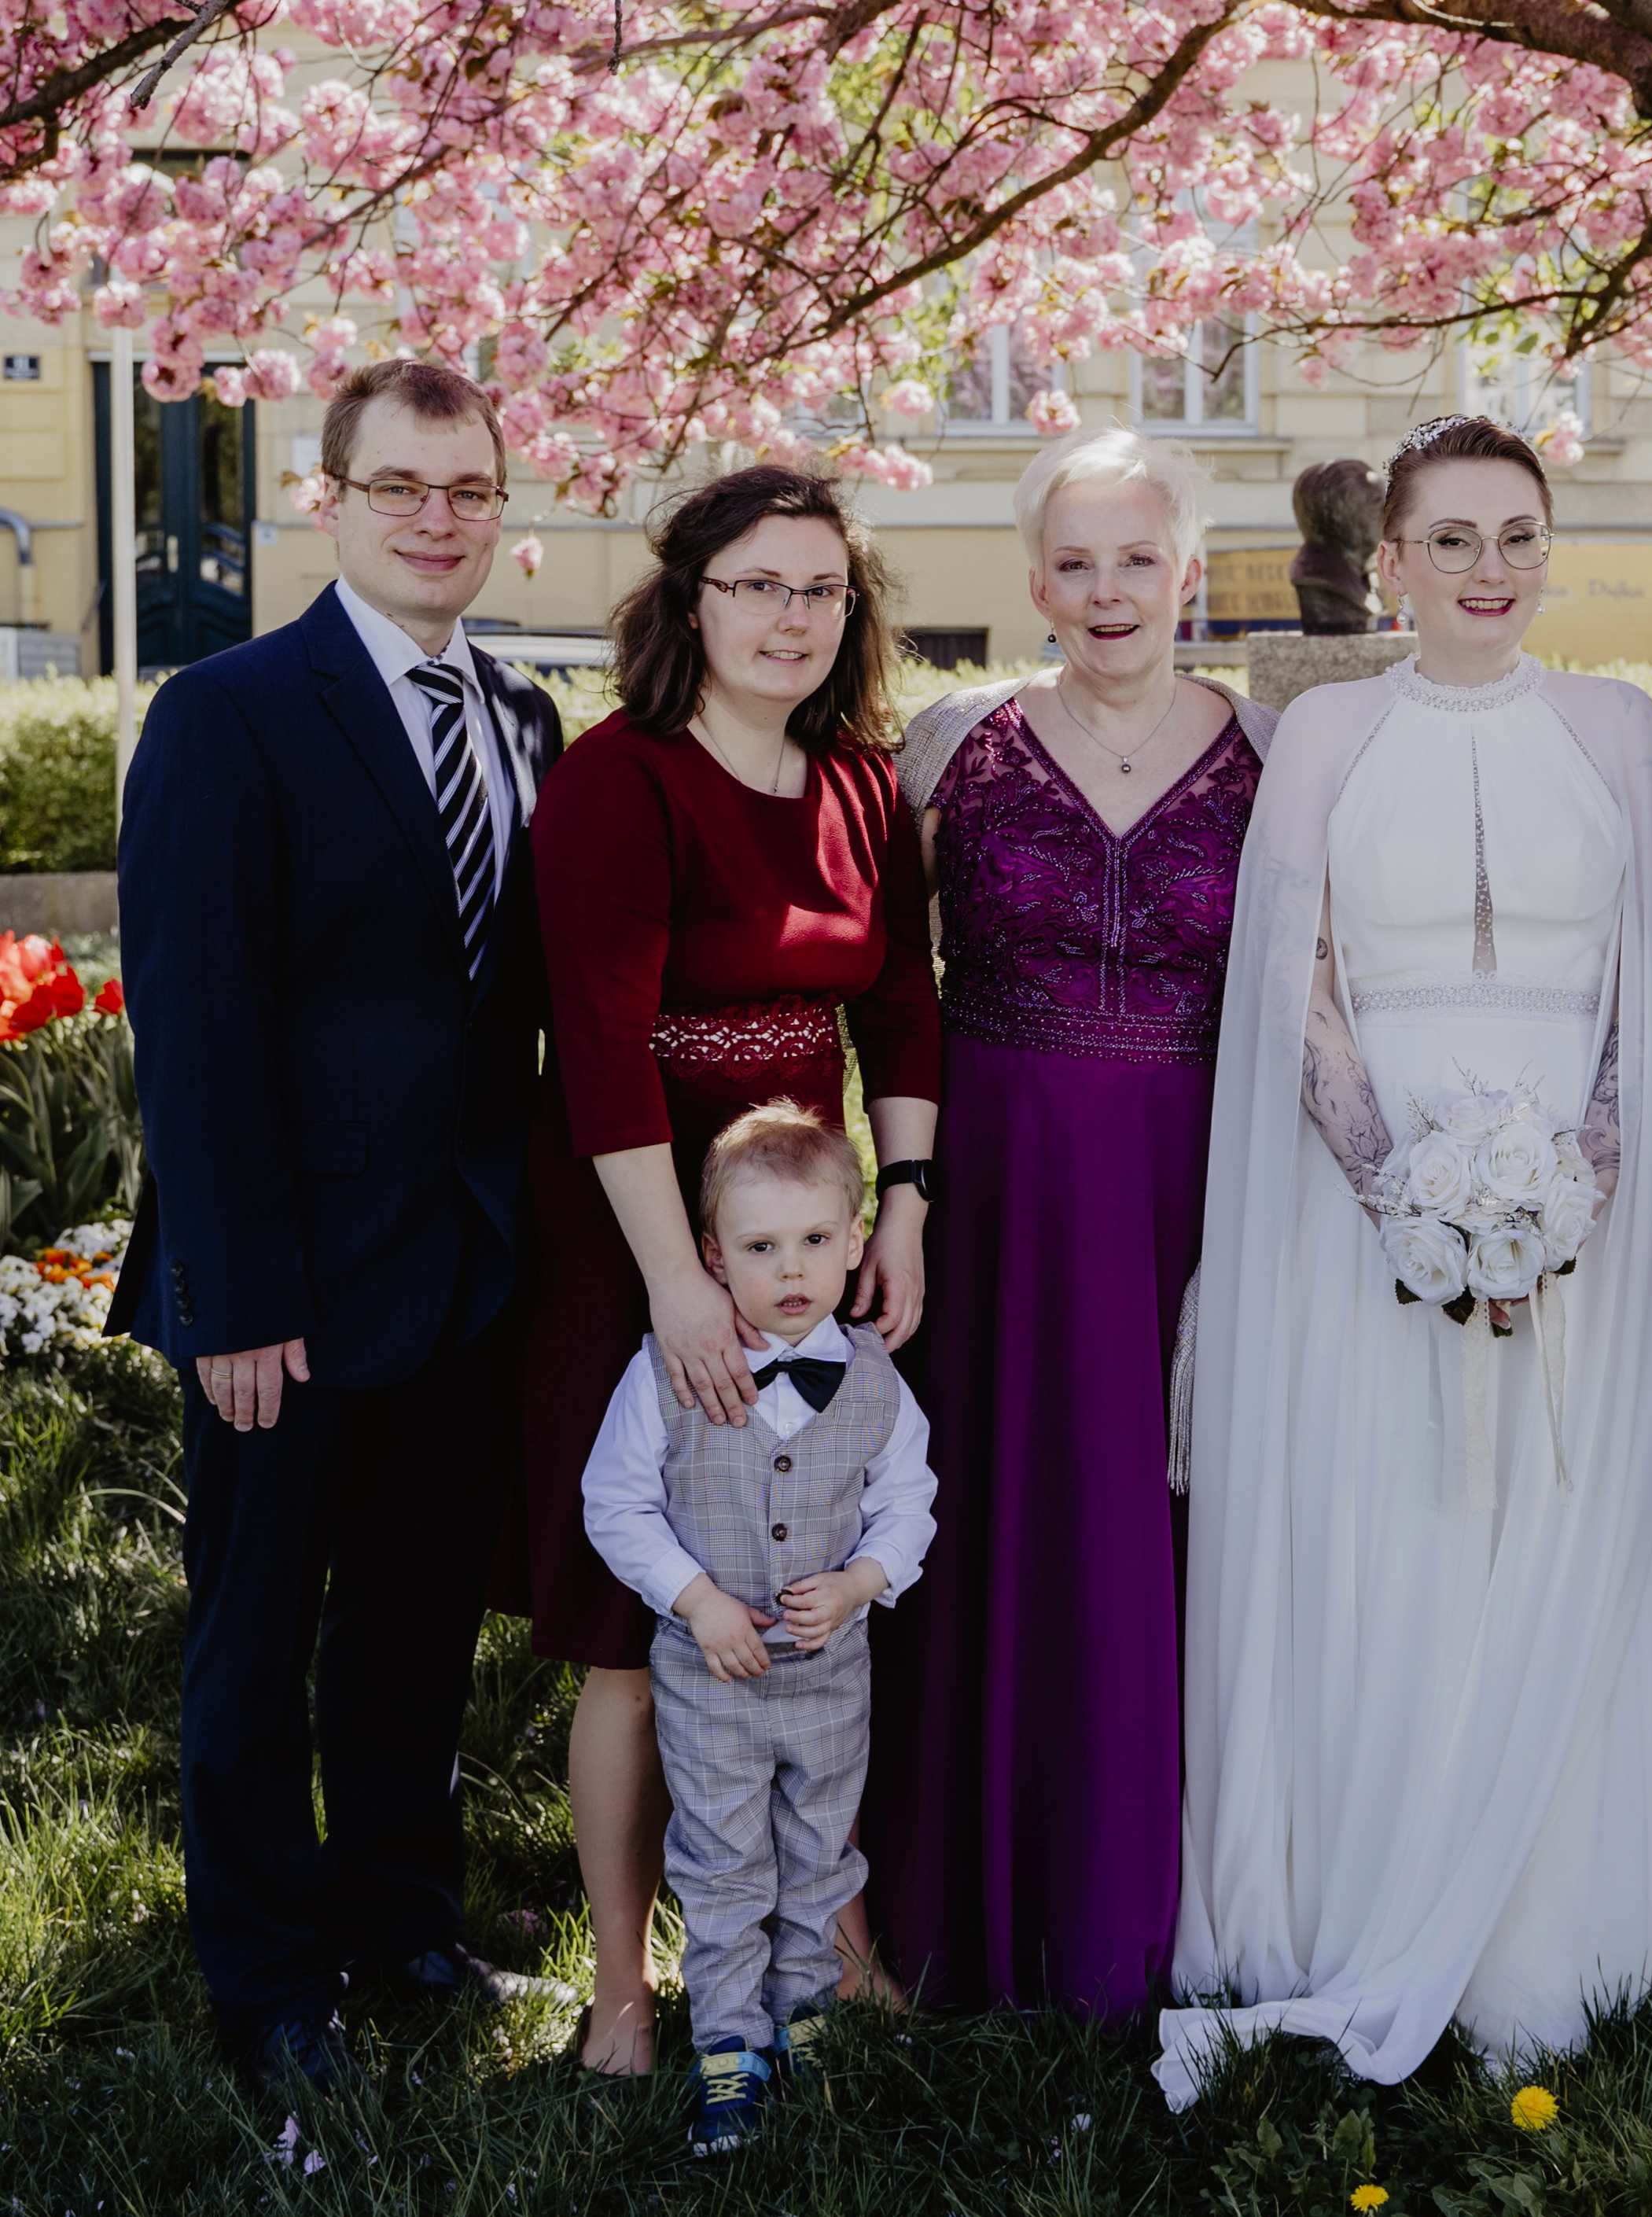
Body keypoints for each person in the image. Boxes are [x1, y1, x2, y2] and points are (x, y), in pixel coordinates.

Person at [1155, 415, 1652, 2108]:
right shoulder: (1328, 733)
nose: (1489, 571)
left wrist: (1567, 1199)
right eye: (1452, 540)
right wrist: (1406, 1203)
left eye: (1518, 537)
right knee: (1390, 1510)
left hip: (1577, 1221)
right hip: (1366, 1217)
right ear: (1393, 563)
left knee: (1553, 1508)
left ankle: (1559, 1919)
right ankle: (1366, 1893)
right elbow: (1296, 982)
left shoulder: (1619, 731)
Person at [110, 359, 569, 2094]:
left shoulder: (522, 719)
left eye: (469, 491)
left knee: (413, 1624)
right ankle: (266, 1978)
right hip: (283, 1287)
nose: (437, 521)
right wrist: (232, 1294)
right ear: (334, 499)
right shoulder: (228, 711)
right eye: (401, 488)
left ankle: (400, 1918)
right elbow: (196, 1021)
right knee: (252, 1646)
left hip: (461, 1268)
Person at [520, 465, 942, 2075]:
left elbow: (899, 1009)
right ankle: (628, 1991)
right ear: (690, 600)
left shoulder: (862, 785)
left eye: (822, 588)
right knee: (634, 1628)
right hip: (633, 1229)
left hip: (800, 1233)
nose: (793, 616)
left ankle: (832, 1944)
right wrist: (673, 1287)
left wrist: (902, 1206)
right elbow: (602, 1047)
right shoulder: (617, 782)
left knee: (822, 1569)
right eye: (759, 584)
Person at [866, 428, 1271, 2017]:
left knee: (1163, 1513)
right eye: (1076, 563)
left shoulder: (1272, 754)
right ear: (1033, 582)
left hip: (1191, 1183)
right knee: (990, 1509)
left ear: (1189, 573)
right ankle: (958, 1907)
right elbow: (885, 981)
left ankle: (1144, 1916)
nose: (1109, 592)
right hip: (992, 1191)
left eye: (1138, 559)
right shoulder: (950, 745)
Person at [581, 1103, 936, 2157]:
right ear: (712, 1259)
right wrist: (694, 1598)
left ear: (856, 1240)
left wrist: (862, 1580)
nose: (792, 1270)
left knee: (820, 1853)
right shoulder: (665, 1374)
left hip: (829, 1683)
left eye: (816, 1241)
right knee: (723, 1862)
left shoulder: (874, 1381)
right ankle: (728, 2050)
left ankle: (806, 2022)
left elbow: (910, 1503)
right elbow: (617, 1505)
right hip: (711, 1687)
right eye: (761, 1248)